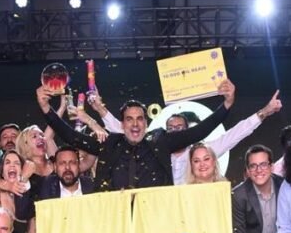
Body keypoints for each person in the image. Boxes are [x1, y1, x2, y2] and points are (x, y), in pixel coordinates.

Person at [37, 79, 235, 191]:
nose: (135, 124)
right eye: (129, 119)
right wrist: (46, 109)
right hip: (117, 221)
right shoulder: (109, 144)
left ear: (146, 123)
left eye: (140, 119)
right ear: (122, 125)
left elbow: (199, 131)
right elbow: (72, 137)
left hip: (155, 220)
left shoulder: (161, 141)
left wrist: (226, 105)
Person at [96, 88, 283, 185]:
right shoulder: (153, 149)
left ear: (188, 132)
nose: (175, 131)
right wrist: (99, 110)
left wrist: (265, 112)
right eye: (170, 128)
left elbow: (236, 133)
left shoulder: (200, 152)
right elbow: (126, 130)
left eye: (180, 128)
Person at [232, 144, 284, 233]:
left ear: (271, 167)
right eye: (253, 166)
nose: (258, 170)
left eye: (263, 165)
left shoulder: (284, 187)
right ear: (248, 171)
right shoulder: (239, 195)